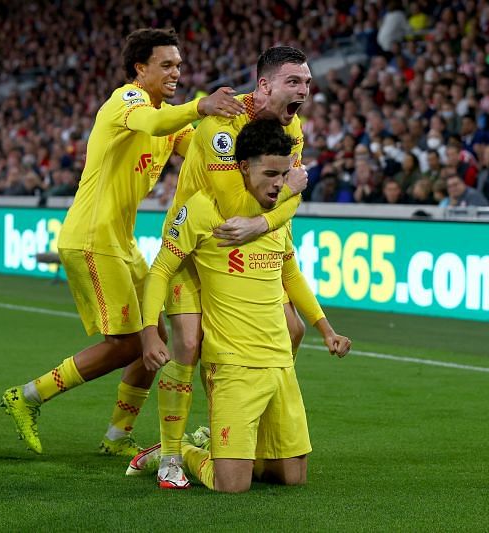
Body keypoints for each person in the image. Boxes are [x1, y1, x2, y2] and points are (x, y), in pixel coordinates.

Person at [0, 28, 244, 456]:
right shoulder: (126, 101)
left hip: (122, 242)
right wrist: (200, 105)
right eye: (166, 65)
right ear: (140, 68)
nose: (176, 72)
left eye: (179, 65)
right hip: (93, 239)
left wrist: (250, 122)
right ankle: (27, 395)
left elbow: (206, 149)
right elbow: (154, 120)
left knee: (156, 338)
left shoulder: (170, 119)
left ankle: (117, 436)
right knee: (131, 343)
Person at [137, 119, 351, 493]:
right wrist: (149, 333)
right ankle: (182, 451)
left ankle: (230, 451)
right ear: (241, 168)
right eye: (269, 173)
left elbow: (291, 275)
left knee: (292, 477)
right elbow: (160, 271)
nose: (278, 184)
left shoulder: (277, 214)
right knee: (231, 486)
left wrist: (325, 328)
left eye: (284, 174)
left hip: (279, 362)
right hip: (233, 363)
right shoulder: (202, 209)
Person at [135, 46, 313, 489]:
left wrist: (273, 211)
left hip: (243, 239)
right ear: (265, 84)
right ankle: (171, 453)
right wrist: (281, 200)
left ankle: (233, 425)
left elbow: (284, 197)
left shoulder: (295, 129)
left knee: (293, 330)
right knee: (189, 344)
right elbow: (237, 207)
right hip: (195, 242)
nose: (304, 92)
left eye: (307, 83)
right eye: (294, 82)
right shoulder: (223, 123)